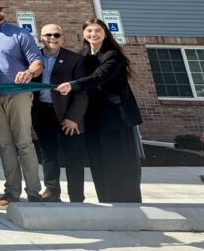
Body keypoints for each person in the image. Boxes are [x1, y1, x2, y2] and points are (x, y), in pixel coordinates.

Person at [56, 18, 143, 203]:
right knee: (98, 159)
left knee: (119, 159)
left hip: (116, 116)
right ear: (84, 34)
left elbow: (99, 76)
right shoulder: (83, 56)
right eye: (89, 31)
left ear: (105, 34)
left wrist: (72, 85)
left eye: (98, 31)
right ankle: (107, 197)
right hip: (93, 116)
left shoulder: (112, 55)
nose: (93, 34)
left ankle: (128, 200)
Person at [0, 0, 43, 209]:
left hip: (18, 95)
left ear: (4, 11)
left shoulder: (20, 34)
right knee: (4, 145)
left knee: (24, 143)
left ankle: (33, 193)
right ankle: (12, 192)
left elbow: (37, 63)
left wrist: (29, 72)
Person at [32, 24, 88, 203]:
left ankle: (76, 196)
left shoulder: (75, 59)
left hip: (67, 116)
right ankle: (52, 191)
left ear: (63, 38)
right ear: (41, 38)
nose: (52, 38)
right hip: (42, 113)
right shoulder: (34, 59)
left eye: (57, 35)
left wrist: (74, 118)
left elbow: (82, 92)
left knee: (73, 156)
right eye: (48, 35)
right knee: (49, 153)